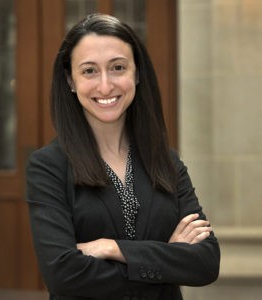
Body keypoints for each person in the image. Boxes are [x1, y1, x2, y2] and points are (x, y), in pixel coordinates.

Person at [26, 13, 220, 300]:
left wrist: (111, 248)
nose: (105, 86)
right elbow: (63, 275)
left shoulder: (166, 161)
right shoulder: (48, 166)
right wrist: (167, 258)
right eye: (89, 71)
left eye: (118, 67)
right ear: (70, 80)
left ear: (137, 73)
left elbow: (206, 263)